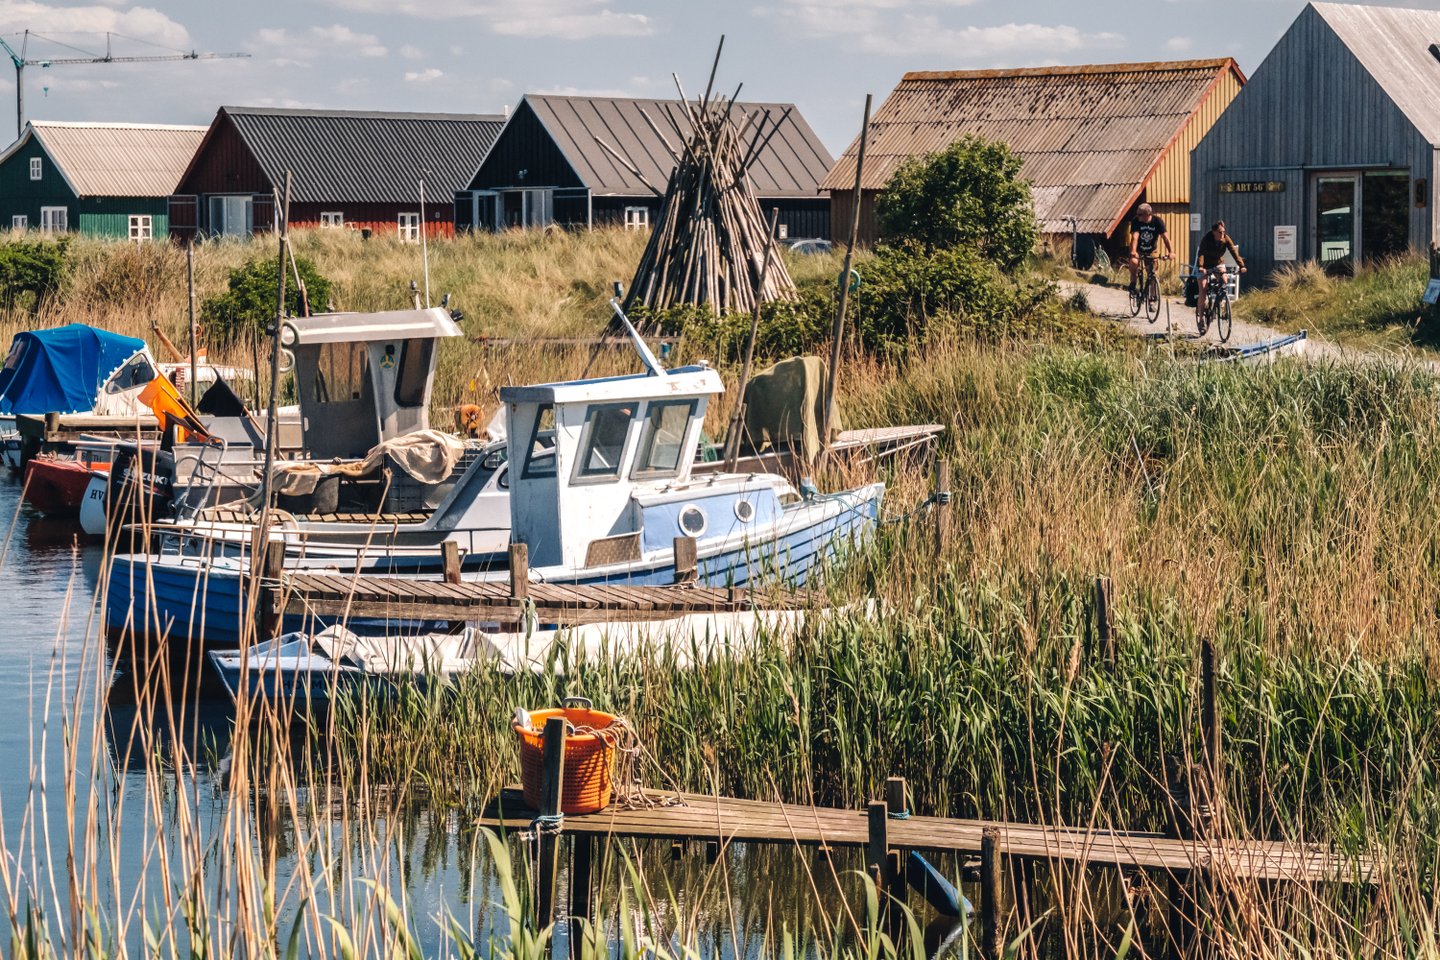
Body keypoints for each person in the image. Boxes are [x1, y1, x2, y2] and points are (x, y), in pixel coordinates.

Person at [1194, 220, 1246, 329]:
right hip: (1205, 265)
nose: (1222, 234)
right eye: (1219, 232)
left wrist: (1242, 266)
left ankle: (1219, 301)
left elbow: (1234, 252)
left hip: (1218, 263)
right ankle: (1201, 320)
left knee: (1224, 280)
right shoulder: (1207, 238)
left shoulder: (1226, 239)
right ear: (1213, 232)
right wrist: (1201, 267)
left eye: (1223, 231)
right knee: (1203, 289)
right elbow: (1201, 253)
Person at [1127, 203, 1172, 292]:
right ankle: (1133, 282)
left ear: (1148, 214)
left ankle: (1152, 297)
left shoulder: (1158, 221)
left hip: (1151, 250)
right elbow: (1135, 237)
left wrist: (1171, 252)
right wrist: (1133, 251)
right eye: (1137, 214)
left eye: (1140, 214)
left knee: (1152, 272)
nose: (1137, 216)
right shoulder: (1136, 221)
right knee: (1133, 262)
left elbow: (1166, 238)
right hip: (1138, 249)